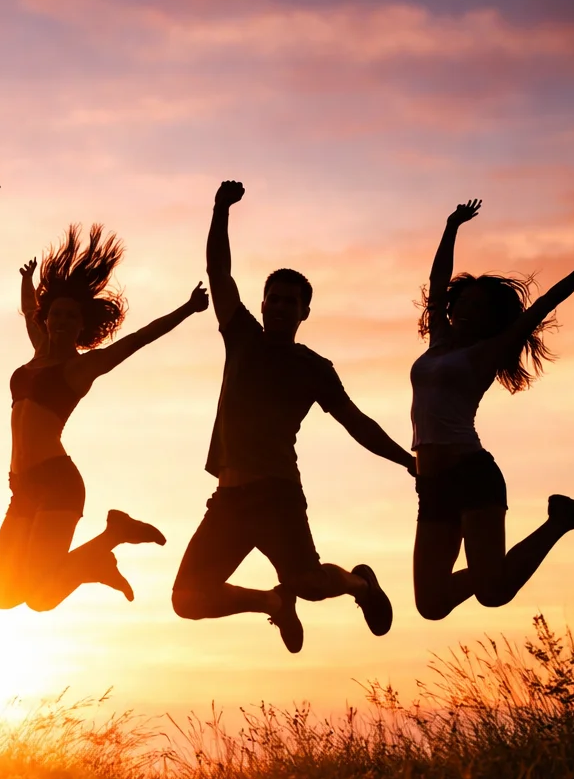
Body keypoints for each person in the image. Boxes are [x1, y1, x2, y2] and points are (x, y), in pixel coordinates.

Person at [171, 181, 412, 653]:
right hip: (228, 500)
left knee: (312, 584)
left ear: (305, 311)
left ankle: (361, 586)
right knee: (187, 599)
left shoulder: (314, 369)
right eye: (273, 299)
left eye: (290, 301)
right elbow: (218, 269)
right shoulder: (242, 335)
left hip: (276, 495)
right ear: (262, 305)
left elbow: (357, 423)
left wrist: (406, 460)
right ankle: (273, 604)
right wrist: (220, 210)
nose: (280, 306)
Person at [410, 199, 574, 620]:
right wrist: (451, 226)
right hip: (431, 483)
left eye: (478, 308)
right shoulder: (437, 343)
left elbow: (543, 307)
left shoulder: (487, 353)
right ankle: (504, 558)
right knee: (432, 604)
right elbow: (437, 282)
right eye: (462, 303)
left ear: (491, 320)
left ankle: (560, 520)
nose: (466, 311)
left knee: (494, 592)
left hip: (471, 474)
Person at [0, 225, 204, 612]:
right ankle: (107, 544)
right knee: (2, 596)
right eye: (57, 314)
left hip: (57, 483)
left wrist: (186, 309)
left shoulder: (80, 368)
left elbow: (138, 339)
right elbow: (27, 311)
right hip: (22, 489)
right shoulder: (37, 351)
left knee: (38, 598)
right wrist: (27, 280)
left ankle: (105, 546)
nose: (63, 321)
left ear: (81, 324)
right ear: (48, 316)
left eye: (72, 316)